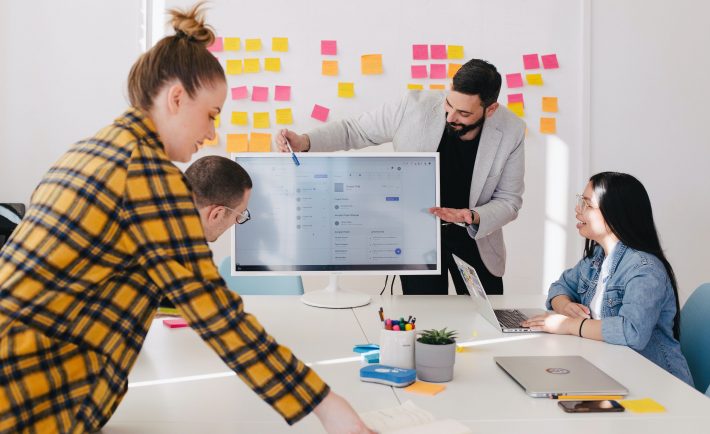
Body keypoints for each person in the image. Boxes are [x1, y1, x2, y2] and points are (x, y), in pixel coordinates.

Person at [0, 4, 373, 433]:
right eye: (212, 115)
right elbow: (217, 315)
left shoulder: (91, 148)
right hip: (27, 393)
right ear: (176, 98)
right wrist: (327, 407)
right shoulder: (145, 175)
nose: (212, 134)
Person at [277, 59, 525, 296]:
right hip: (417, 237)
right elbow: (355, 130)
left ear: (490, 109)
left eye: (463, 113)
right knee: (425, 324)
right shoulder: (412, 105)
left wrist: (472, 216)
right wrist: (305, 141)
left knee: (486, 323)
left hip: (475, 237)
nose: (450, 117)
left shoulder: (511, 129)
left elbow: (509, 200)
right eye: (449, 105)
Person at [522, 172, 694, 385]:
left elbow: (631, 332)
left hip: (657, 384)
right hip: (612, 370)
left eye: (587, 204)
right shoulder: (598, 257)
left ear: (616, 215)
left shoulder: (645, 269)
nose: (578, 210)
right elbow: (560, 286)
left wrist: (569, 325)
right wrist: (564, 305)